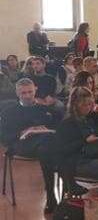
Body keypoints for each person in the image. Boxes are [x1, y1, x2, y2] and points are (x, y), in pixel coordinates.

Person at [0, 78, 63, 212]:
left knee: (47, 143)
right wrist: (22, 132)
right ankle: (55, 195)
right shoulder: (8, 112)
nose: (27, 96)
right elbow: (4, 137)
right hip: (21, 145)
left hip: (44, 144)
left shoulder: (45, 109)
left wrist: (45, 128)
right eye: (23, 93)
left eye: (30, 92)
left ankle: (55, 195)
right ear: (17, 93)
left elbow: (60, 128)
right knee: (49, 146)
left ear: (35, 90)